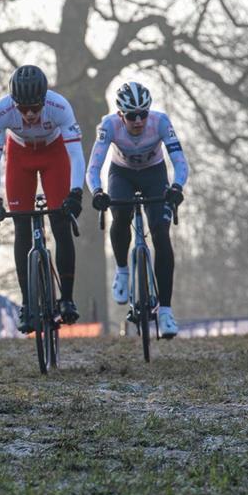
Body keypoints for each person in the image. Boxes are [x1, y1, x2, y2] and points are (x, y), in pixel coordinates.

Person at [0, 65, 86, 332]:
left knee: (61, 223)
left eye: (35, 108)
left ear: (45, 100)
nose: (29, 114)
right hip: (19, 155)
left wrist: (76, 193)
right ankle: (28, 305)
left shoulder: (60, 106)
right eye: (23, 108)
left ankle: (66, 299)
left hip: (54, 154)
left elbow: (75, 154)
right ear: (13, 103)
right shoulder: (1, 110)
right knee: (21, 226)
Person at [87, 81, 189, 337]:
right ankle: (122, 270)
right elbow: (93, 167)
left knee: (161, 234)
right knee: (120, 216)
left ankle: (165, 311)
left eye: (143, 113)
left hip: (154, 174)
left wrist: (176, 186)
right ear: (121, 114)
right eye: (132, 116)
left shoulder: (161, 122)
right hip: (121, 174)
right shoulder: (108, 125)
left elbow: (179, 161)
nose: (138, 121)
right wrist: (97, 192)